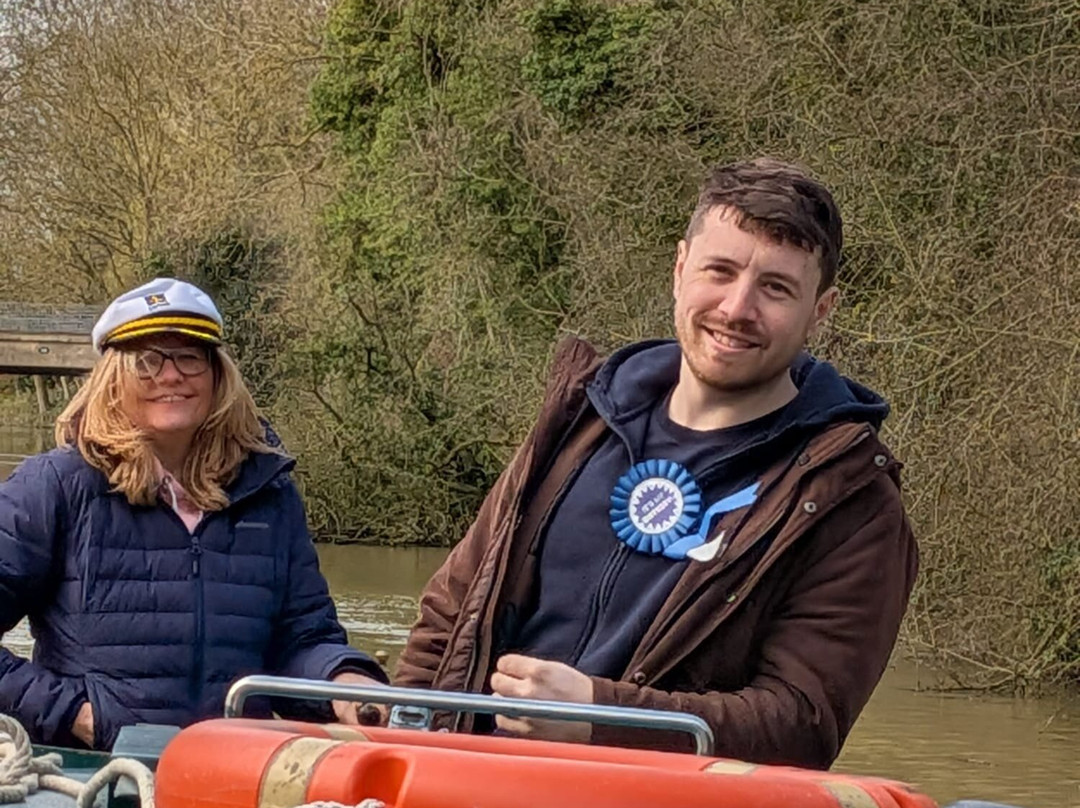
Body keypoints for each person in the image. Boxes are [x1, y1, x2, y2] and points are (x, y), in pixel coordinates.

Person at [395, 158, 919, 769]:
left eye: (775, 288)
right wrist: (402, 754)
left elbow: (798, 725)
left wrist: (599, 715)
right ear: (678, 270)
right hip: (466, 783)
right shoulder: (578, 420)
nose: (736, 308)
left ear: (820, 312)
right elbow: (450, 617)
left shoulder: (850, 502)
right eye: (719, 271)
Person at [0, 278, 386, 750]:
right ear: (113, 378)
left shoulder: (269, 493)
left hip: (241, 770)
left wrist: (346, 683)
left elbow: (303, 638)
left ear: (217, 374)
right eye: (147, 360)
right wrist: (75, 714)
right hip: (96, 776)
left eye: (190, 356)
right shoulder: (55, 486)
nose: (171, 375)